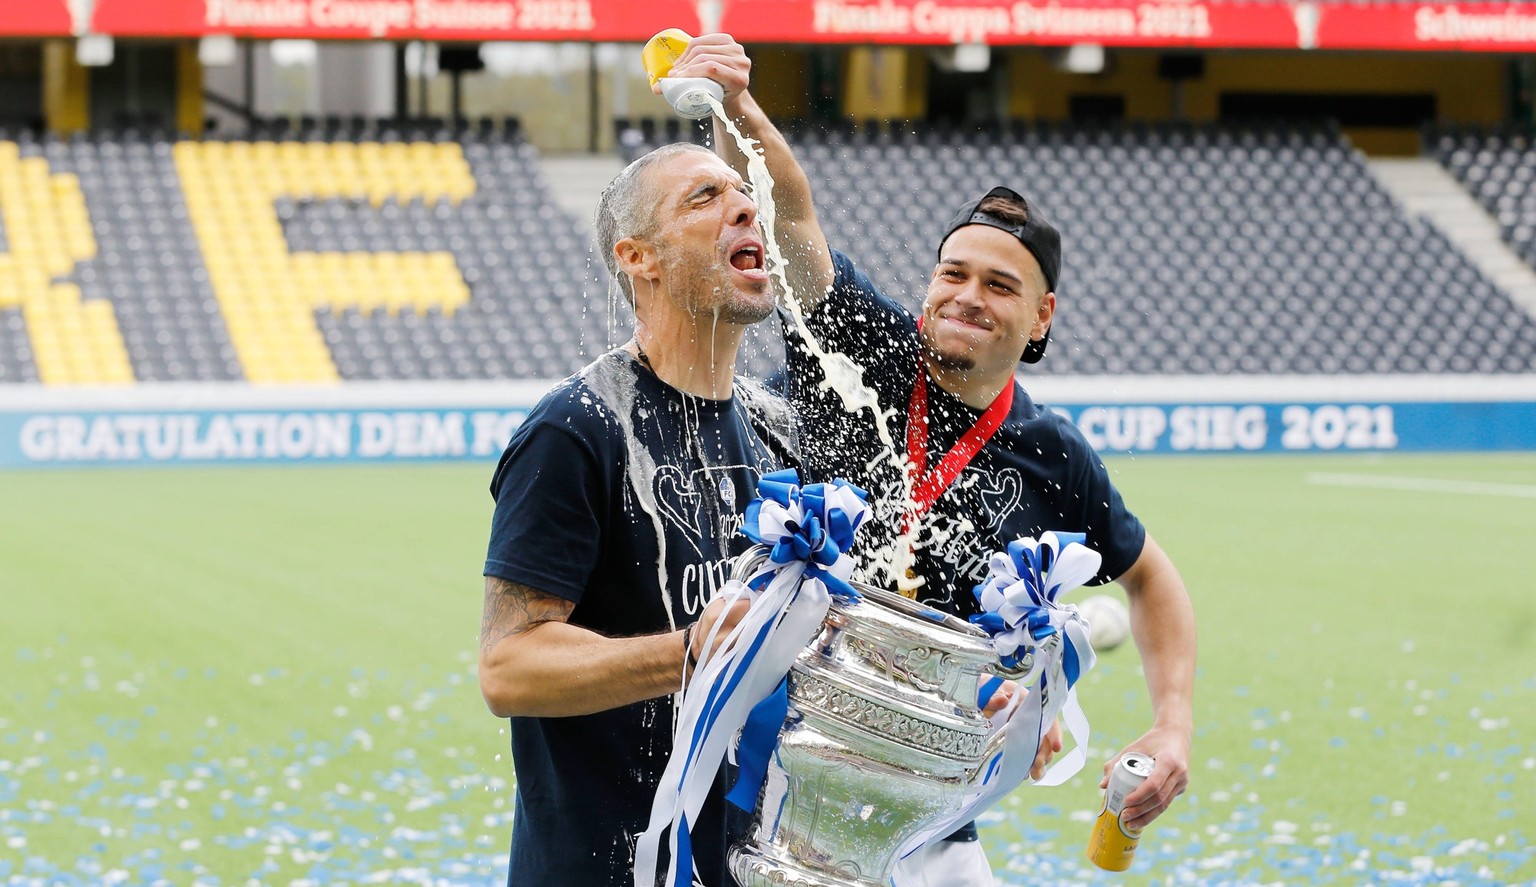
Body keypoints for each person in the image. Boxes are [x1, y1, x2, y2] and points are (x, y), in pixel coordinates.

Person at [664, 34, 1197, 886]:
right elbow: (786, 215)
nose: (966, 296)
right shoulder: (864, 351)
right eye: (953, 272)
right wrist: (736, 107)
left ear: (1042, 316)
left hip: (928, 823)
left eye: (999, 285)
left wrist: (1170, 727)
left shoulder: (1053, 453)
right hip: (773, 789)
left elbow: (1153, 581)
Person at [478, 142, 798, 886]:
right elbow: (508, 666)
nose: (745, 206)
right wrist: (691, 650)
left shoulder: (777, 428)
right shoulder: (576, 428)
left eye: (743, 194)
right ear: (639, 257)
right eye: (704, 198)